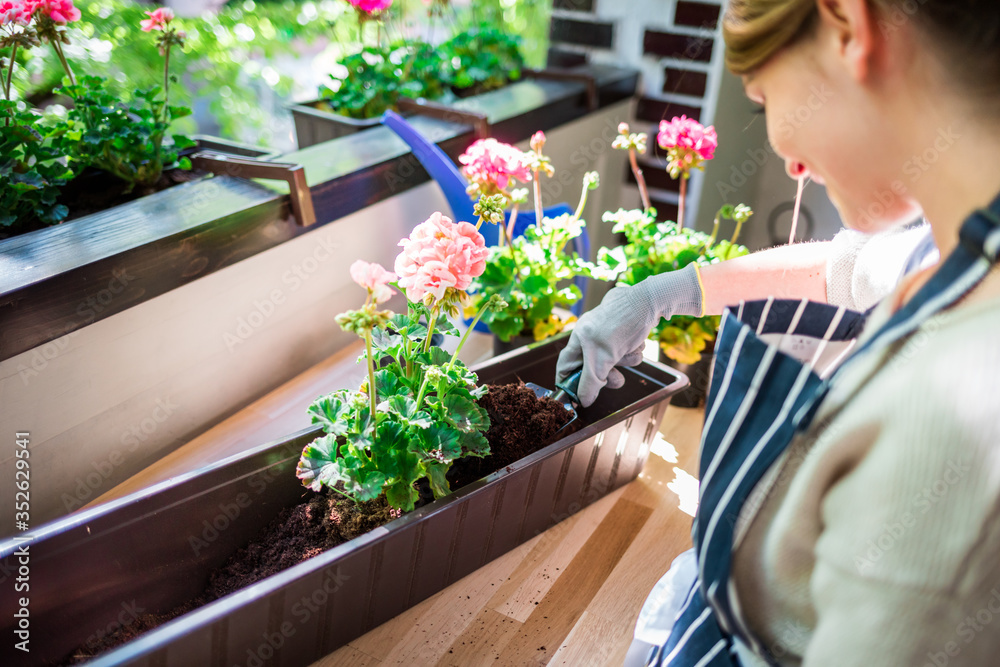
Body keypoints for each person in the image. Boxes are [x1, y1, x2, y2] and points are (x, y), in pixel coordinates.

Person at [556, 1, 1000, 665]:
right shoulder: (959, 250)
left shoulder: (954, 415)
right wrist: (662, 294)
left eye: (764, 101)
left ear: (848, 26)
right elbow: (844, 269)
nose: (788, 162)